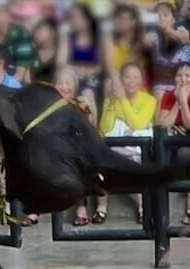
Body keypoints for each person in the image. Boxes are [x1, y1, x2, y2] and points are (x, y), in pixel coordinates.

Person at [95, 63, 156, 225]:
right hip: (114, 149)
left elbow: (137, 124)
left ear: (142, 80)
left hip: (136, 151)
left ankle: (143, 209)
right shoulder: (111, 100)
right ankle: (101, 208)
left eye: (135, 77)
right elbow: (105, 128)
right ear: (121, 80)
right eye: (127, 77)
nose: (131, 81)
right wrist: (113, 104)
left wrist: (123, 100)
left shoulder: (149, 100)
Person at [54, 66, 95, 226]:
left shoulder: (81, 104)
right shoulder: (48, 105)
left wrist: (87, 109)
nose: (64, 87)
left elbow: (90, 128)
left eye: (68, 83)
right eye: (60, 83)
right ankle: (35, 209)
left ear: (75, 86)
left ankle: (81, 207)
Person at [56, 2, 103, 124]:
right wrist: (76, 70)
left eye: (78, 17)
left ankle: (93, 129)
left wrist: (89, 71)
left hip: (92, 78)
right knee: (65, 79)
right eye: (72, 17)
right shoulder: (68, 37)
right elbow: (60, 62)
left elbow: (102, 64)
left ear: (88, 19)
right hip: (72, 75)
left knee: (88, 92)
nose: (75, 21)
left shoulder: (97, 38)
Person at [157, 61, 190, 224]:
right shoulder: (168, 95)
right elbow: (162, 125)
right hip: (171, 144)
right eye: (179, 75)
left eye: (187, 75)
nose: (183, 79)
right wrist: (177, 102)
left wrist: (184, 101)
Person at [145, 2, 190, 100]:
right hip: (160, 86)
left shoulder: (182, 30)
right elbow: (144, 41)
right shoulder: (153, 34)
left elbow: (184, 39)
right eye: (158, 16)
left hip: (185, 84)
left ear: (173, 19)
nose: (162, 18)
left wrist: (167, 29)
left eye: (165, 14)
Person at [29, 17, 57, 83]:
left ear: (52, 32)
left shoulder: (60, 53)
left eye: (40, 30)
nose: (36, 33)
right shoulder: (32, 52)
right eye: (36, 30)